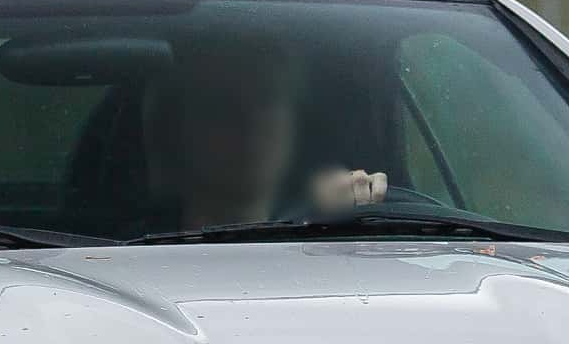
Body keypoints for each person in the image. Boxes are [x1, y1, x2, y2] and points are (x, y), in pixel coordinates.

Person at [138, 37, 389, 232]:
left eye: (267, 101)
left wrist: (359, 217)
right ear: (178, 128)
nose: (249, 122)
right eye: (223, 107)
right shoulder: (128, 254)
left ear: (295, 122)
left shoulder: (332, 233)